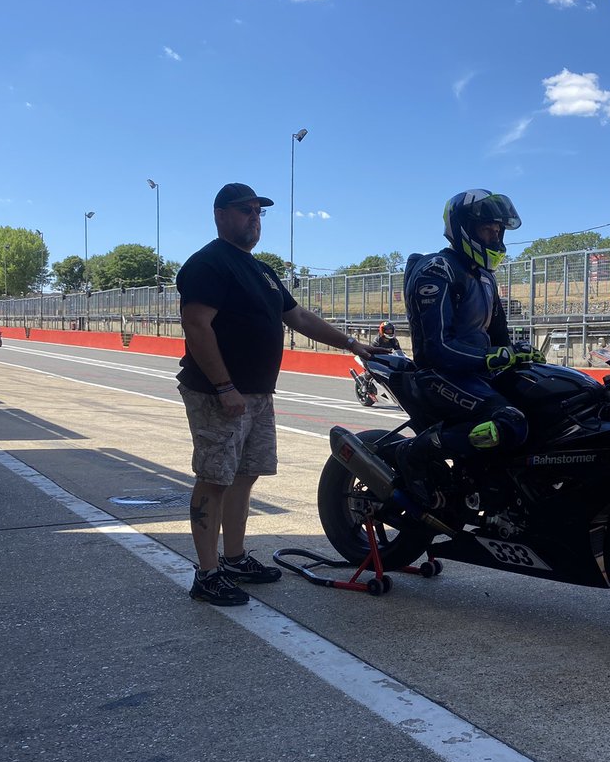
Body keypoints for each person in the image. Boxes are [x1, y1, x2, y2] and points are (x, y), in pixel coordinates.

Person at [177, 182, 378, 606]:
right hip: (219, 394)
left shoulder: (261, 271)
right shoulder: (208, 264)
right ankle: (207, 574)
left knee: (244, 476)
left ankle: (233, 558)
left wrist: (351, 344)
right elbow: (196, 325)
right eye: (245, 210)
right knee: (214, 479)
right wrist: (224, 386)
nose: (254, 218)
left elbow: (299, 316)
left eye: (258, 211)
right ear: (220, 215)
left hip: (257, 393)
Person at [399, 189, 538, 509]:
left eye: (498, 231)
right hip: (439, 373)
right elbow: (438, 347)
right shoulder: (438, 268)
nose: (495, 237)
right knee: (510, 422)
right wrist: (490, 357)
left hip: (476, 374)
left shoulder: (485, 277)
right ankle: (414, 453)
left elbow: (499, 338)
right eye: (488, 230)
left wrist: (520, 354)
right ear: (464, 227)